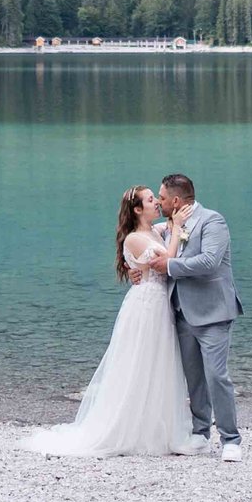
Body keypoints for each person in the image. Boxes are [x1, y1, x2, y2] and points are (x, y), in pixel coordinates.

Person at [19, 186, 192, 457]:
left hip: (160, 305)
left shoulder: (153, 232)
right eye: (150, 200)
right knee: (139, 363)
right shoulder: (134, 239)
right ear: (137, 209)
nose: (157, 202)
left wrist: (176, 219)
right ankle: (128, 428)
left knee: (158, 364)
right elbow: (167, 259)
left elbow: (167, 231)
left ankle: (155, 427)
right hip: (146, 307)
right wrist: (178, 226)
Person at [140, 171, 244, 461]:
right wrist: (137, 267)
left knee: (216, 375)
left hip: (212, 312)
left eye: (161, 198)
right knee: (193, 376)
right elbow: (142, 239)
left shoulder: (212, 221)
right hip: (180, 310)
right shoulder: (172, 224)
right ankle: (200, 433)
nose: (158, 203)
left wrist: (169, 266)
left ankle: (231, 439)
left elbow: (210, 262)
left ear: (175, 200)